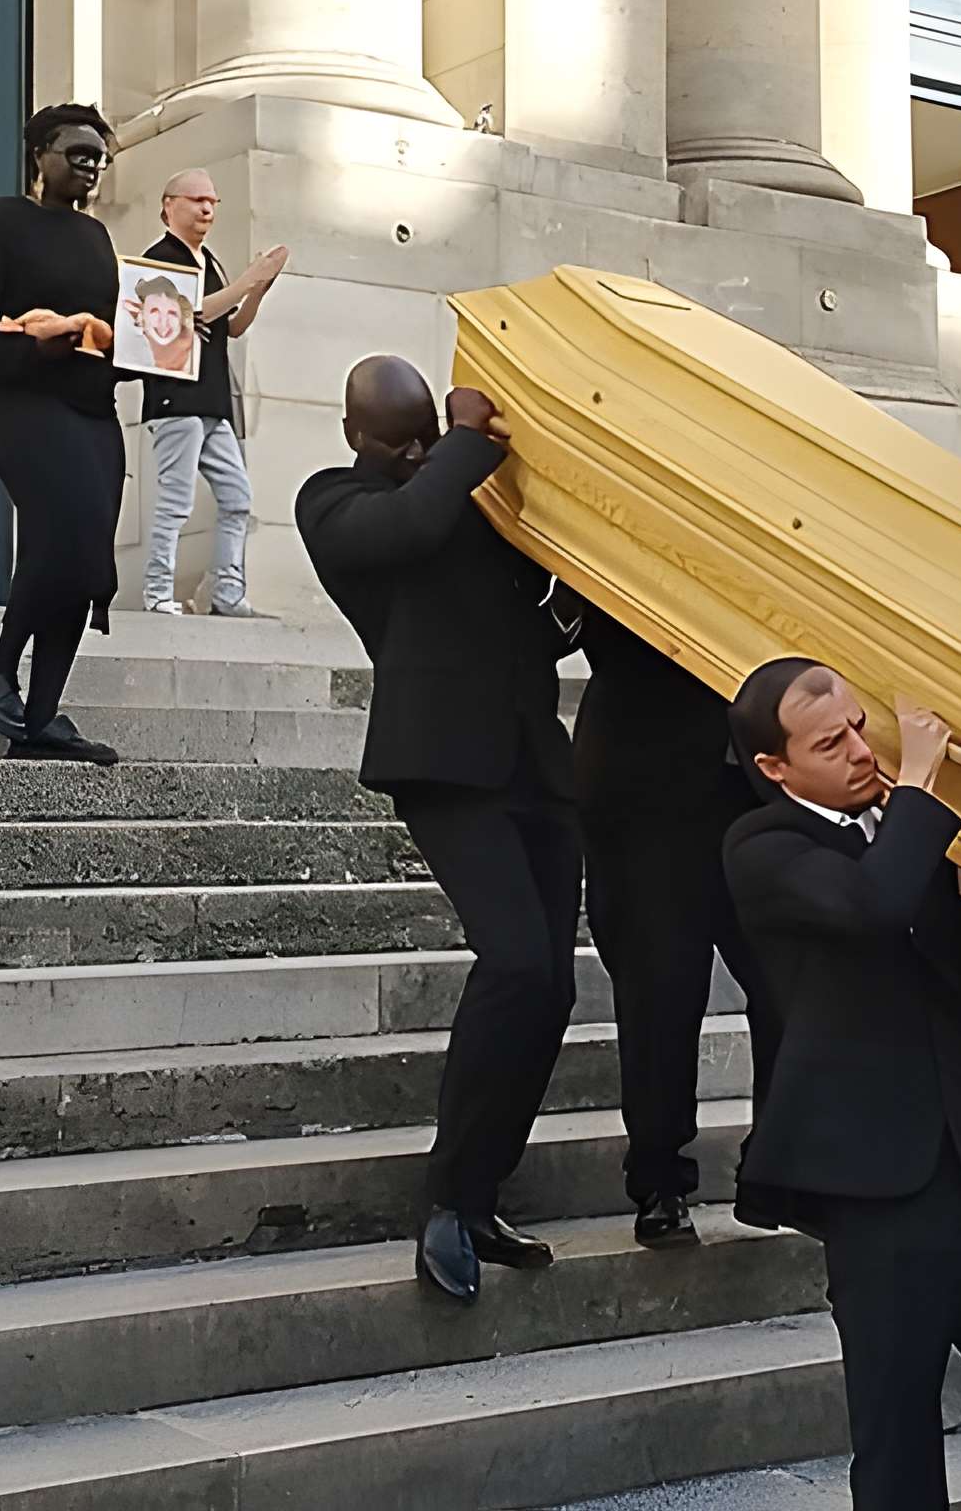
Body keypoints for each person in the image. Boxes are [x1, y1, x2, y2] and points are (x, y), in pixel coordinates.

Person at [722, 658, 961, 1511]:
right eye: (833, 742)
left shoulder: (909, 832)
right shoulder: (763, 845)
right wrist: (928, 789)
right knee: (898, 1451)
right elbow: (869, 906)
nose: (862, 750)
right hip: (876, 1190)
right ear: (775, 770)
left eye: (863, 725)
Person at [300, 358, 585, 1304]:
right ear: (356, 436)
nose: (417, 450)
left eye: (428, 434)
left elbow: (532, 624)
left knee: (549, 988)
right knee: (513, 964)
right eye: (401, 439)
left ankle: (483, 1190)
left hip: (533, 759)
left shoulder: (461, 496)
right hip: (443, 765)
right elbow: (411, 523)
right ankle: (445, 1201)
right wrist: (463, 443)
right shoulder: (335, 502)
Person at [573, 614, 781, 1247]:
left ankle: (776, 1169)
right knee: (661, 987)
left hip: (757, 783)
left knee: (789, 984)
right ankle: (660, 1177)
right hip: (643, 780)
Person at [0, 105, 132, 765]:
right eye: (78, 153)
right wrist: (32, 344)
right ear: (39, 154)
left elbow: (112, 330)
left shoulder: (98, 239)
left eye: (99, 156)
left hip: (93, 412)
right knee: (67, 532)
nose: (91, 165)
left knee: (87, 559)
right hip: (23, 403)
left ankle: (41, 717)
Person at [137, 169, 287, 617]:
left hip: (211, 401)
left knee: (237, 497)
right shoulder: (160, 258)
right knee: (176, 500)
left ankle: (227, 594)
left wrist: (257, 291)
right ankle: (157, 593)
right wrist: (246, 281)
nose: (207, 209)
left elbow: (232, 327)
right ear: (169, 204)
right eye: (197, 199)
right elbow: (186, 316)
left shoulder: (211, 262)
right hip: (175, 399)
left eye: (213, 202)